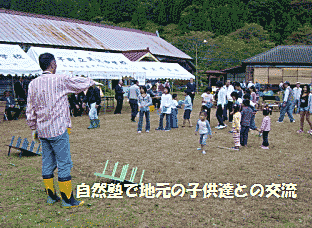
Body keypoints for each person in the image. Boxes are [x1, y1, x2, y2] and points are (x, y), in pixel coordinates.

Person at [26, 52, 99, 208]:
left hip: (42, 130)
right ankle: (67, 199)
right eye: (56, 63)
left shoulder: (33, 84)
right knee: (64, 163)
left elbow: (30, 109)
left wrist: (33, 128)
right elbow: (77, 83)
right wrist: (91, 82)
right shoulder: (60, 79)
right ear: (52, 64)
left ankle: (51, 196)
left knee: (47, 162)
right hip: (58, 129)